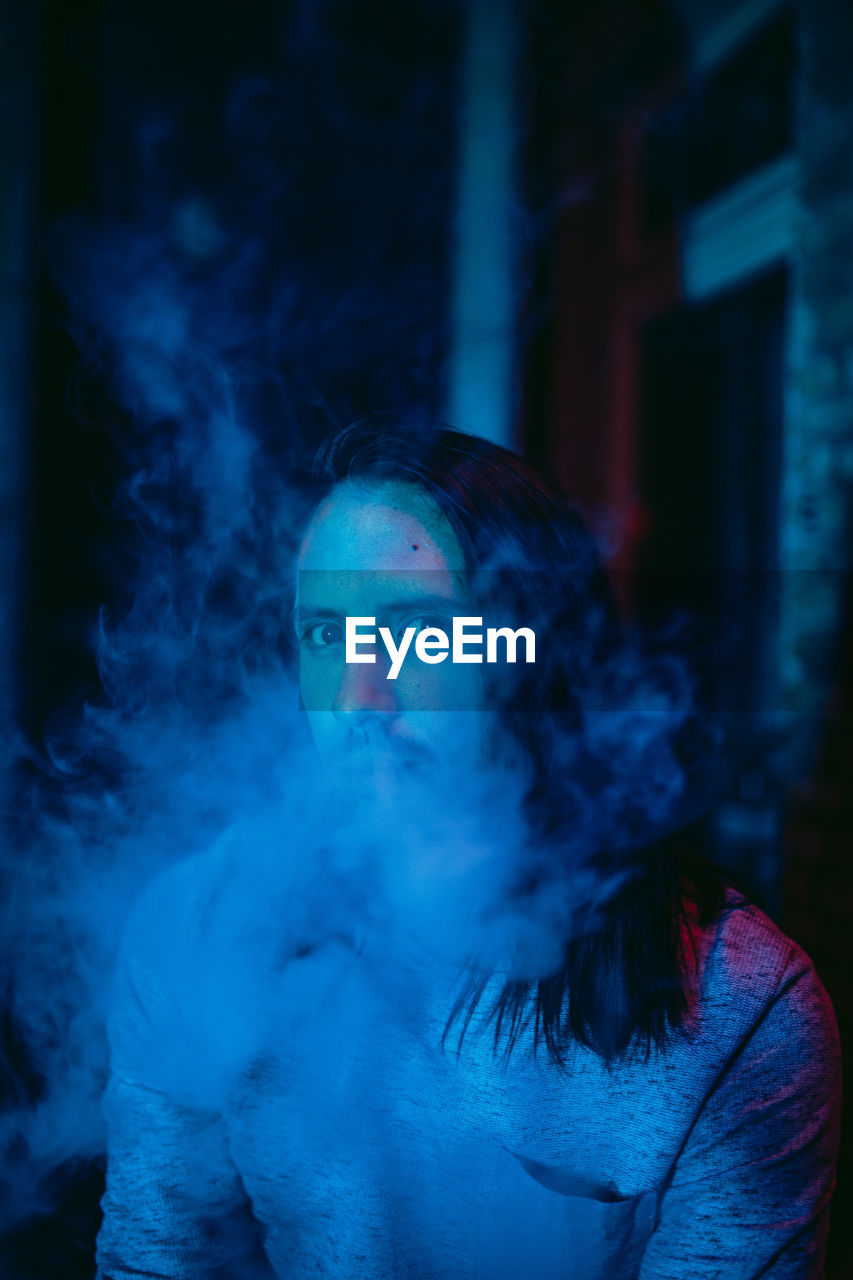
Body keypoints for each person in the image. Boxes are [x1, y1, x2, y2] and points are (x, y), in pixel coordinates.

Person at [96, 416, 841, 1279]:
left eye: (417, 630)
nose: (357, 698)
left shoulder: (740, 1009)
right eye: (325, 633)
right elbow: (162, 1264)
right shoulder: (197, 927)